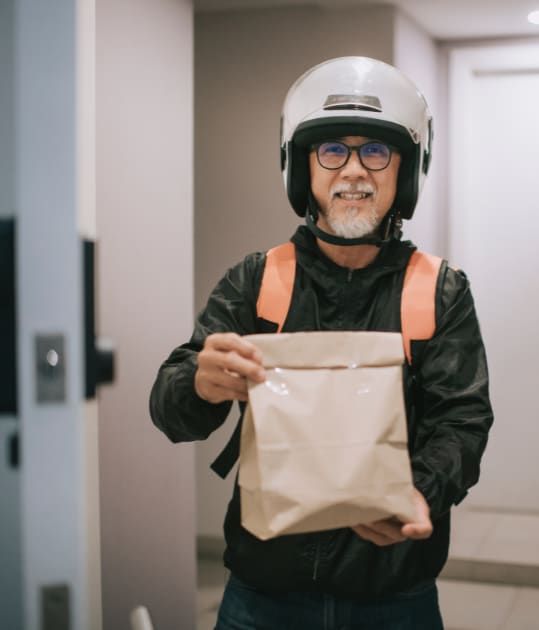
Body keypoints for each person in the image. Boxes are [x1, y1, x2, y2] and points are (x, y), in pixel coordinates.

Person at [150, 56, 493, 629]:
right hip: (261, 598)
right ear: (300, 165)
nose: (354, 171)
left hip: (395, 596)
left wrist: (421, 491)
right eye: (332, 150)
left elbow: (462, 420)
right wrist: (197, 382)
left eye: (376, 153)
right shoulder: (255, 282)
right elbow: (172, 413)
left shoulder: (440, 290)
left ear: (406, 170)